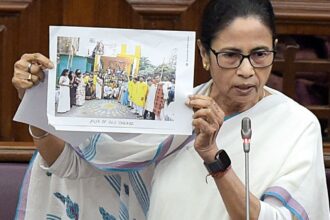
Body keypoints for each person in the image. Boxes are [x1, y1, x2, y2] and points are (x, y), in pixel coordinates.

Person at [11, 0, 329, 219]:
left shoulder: (297, 125)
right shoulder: (173, 112)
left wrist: (214, 159)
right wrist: (36, 99)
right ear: (204, 54)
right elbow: (75, 168)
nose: (247, 70)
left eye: (260, 54)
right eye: (231, 56)